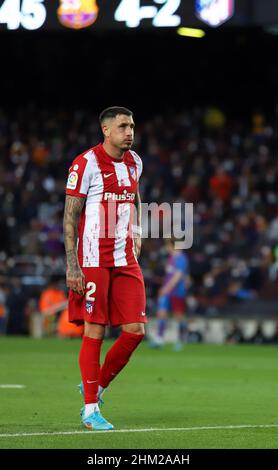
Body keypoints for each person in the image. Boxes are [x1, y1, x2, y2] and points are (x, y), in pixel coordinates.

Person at [63, 106, 146, 431]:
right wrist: (73, 265)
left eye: (132, 126)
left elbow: (136, 197)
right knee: (95, 330)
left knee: (135, 331)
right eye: (124, 126)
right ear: (106, 130)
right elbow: (70, 215)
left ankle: (95, 387)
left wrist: (137, 232)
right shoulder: (86, 164)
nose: (130, 132)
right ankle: (89, 411)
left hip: (125, 258)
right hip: (93, 259)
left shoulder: (135, 161)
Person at [151, 238, 189, 351]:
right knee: (161, 313)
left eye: (168, 245)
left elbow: (178, 276)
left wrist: (166, 288)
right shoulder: (171, 258)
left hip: (177, 291)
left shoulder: (181, 258)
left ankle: (181, 340)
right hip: (167, 291)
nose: (167, 247)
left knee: (179, 316)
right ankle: (159, 339)